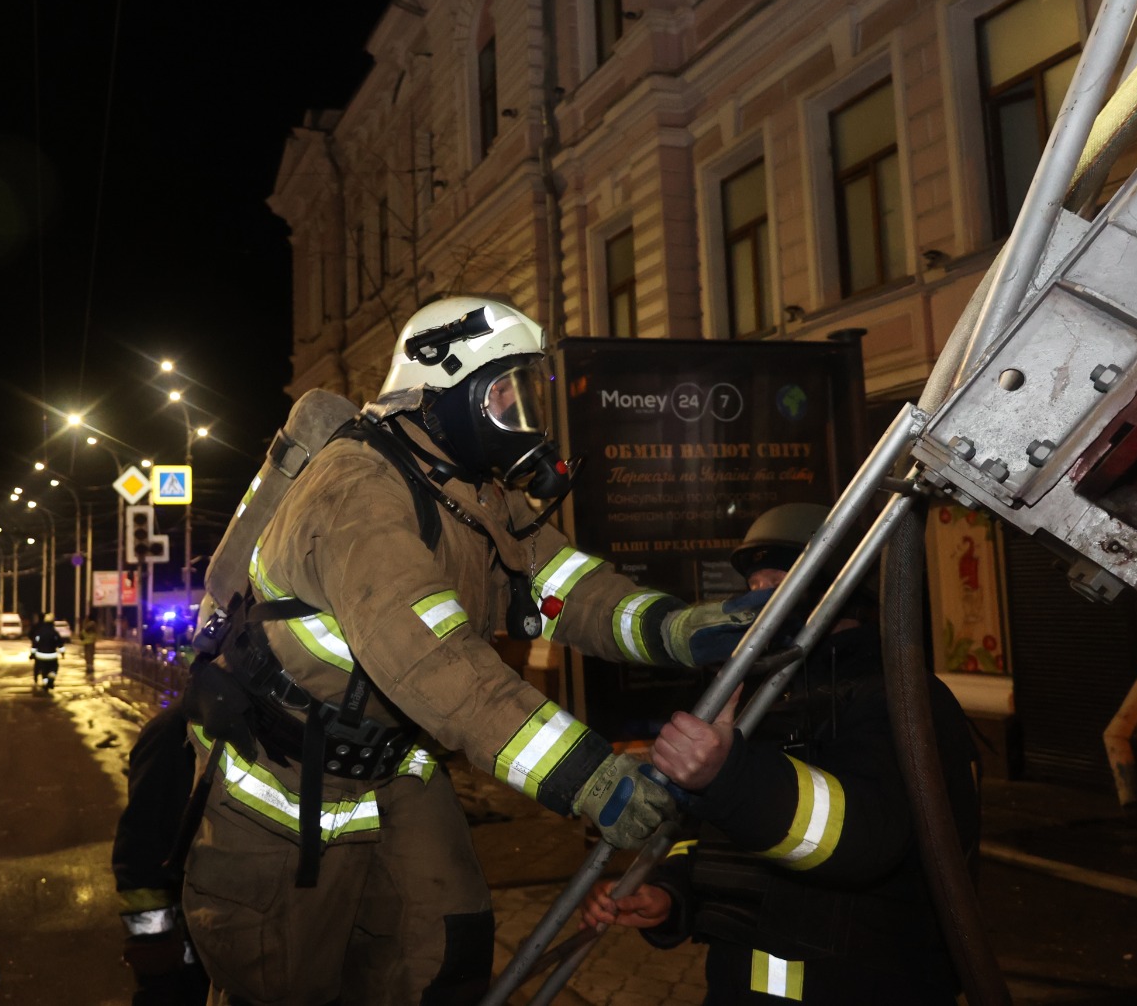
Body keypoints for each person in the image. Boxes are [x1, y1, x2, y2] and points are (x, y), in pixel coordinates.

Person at [179, 296, 765, 1005]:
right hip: (287, 783)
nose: (521, 418)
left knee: (444, 950)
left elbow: (567, 587)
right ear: (439, 393)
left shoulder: (469, 490)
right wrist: (588, 776)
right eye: (503, 395)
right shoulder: (358, 488)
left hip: (395, 764)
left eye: (527, 394)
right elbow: (433, 660)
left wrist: (678, 629)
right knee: (280, 983)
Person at [581, 502, 982, 1005]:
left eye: (779, 582)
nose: (759, 603)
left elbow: (863, 838)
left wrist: (729, 777)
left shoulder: (899, 699)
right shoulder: (768, 695)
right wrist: (670, 892)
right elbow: (722, 837)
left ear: (837, 589)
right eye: (754, 586)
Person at [112, 698, 211, 1005]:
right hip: (188, 954)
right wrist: (151, 948)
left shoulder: (284, 731)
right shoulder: (173, 732)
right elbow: (141, 855)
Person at [29, 612, 66, 691]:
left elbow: (35, 644)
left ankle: (45, 684)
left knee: (44, 672)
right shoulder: (54, 633)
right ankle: (51, 680)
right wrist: (62, 653)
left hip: (40, 656)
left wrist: (32, 654)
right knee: (54, 669)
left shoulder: (40, 632)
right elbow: (60, 643)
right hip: (52, 656)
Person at [79, 615, 101, 680]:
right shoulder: (92, 625)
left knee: (88, 655)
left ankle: (89, 667)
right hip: (90, 642)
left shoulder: (89, 625)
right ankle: (90, 666)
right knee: (89, 655)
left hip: (88, 642)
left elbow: (83, 633)